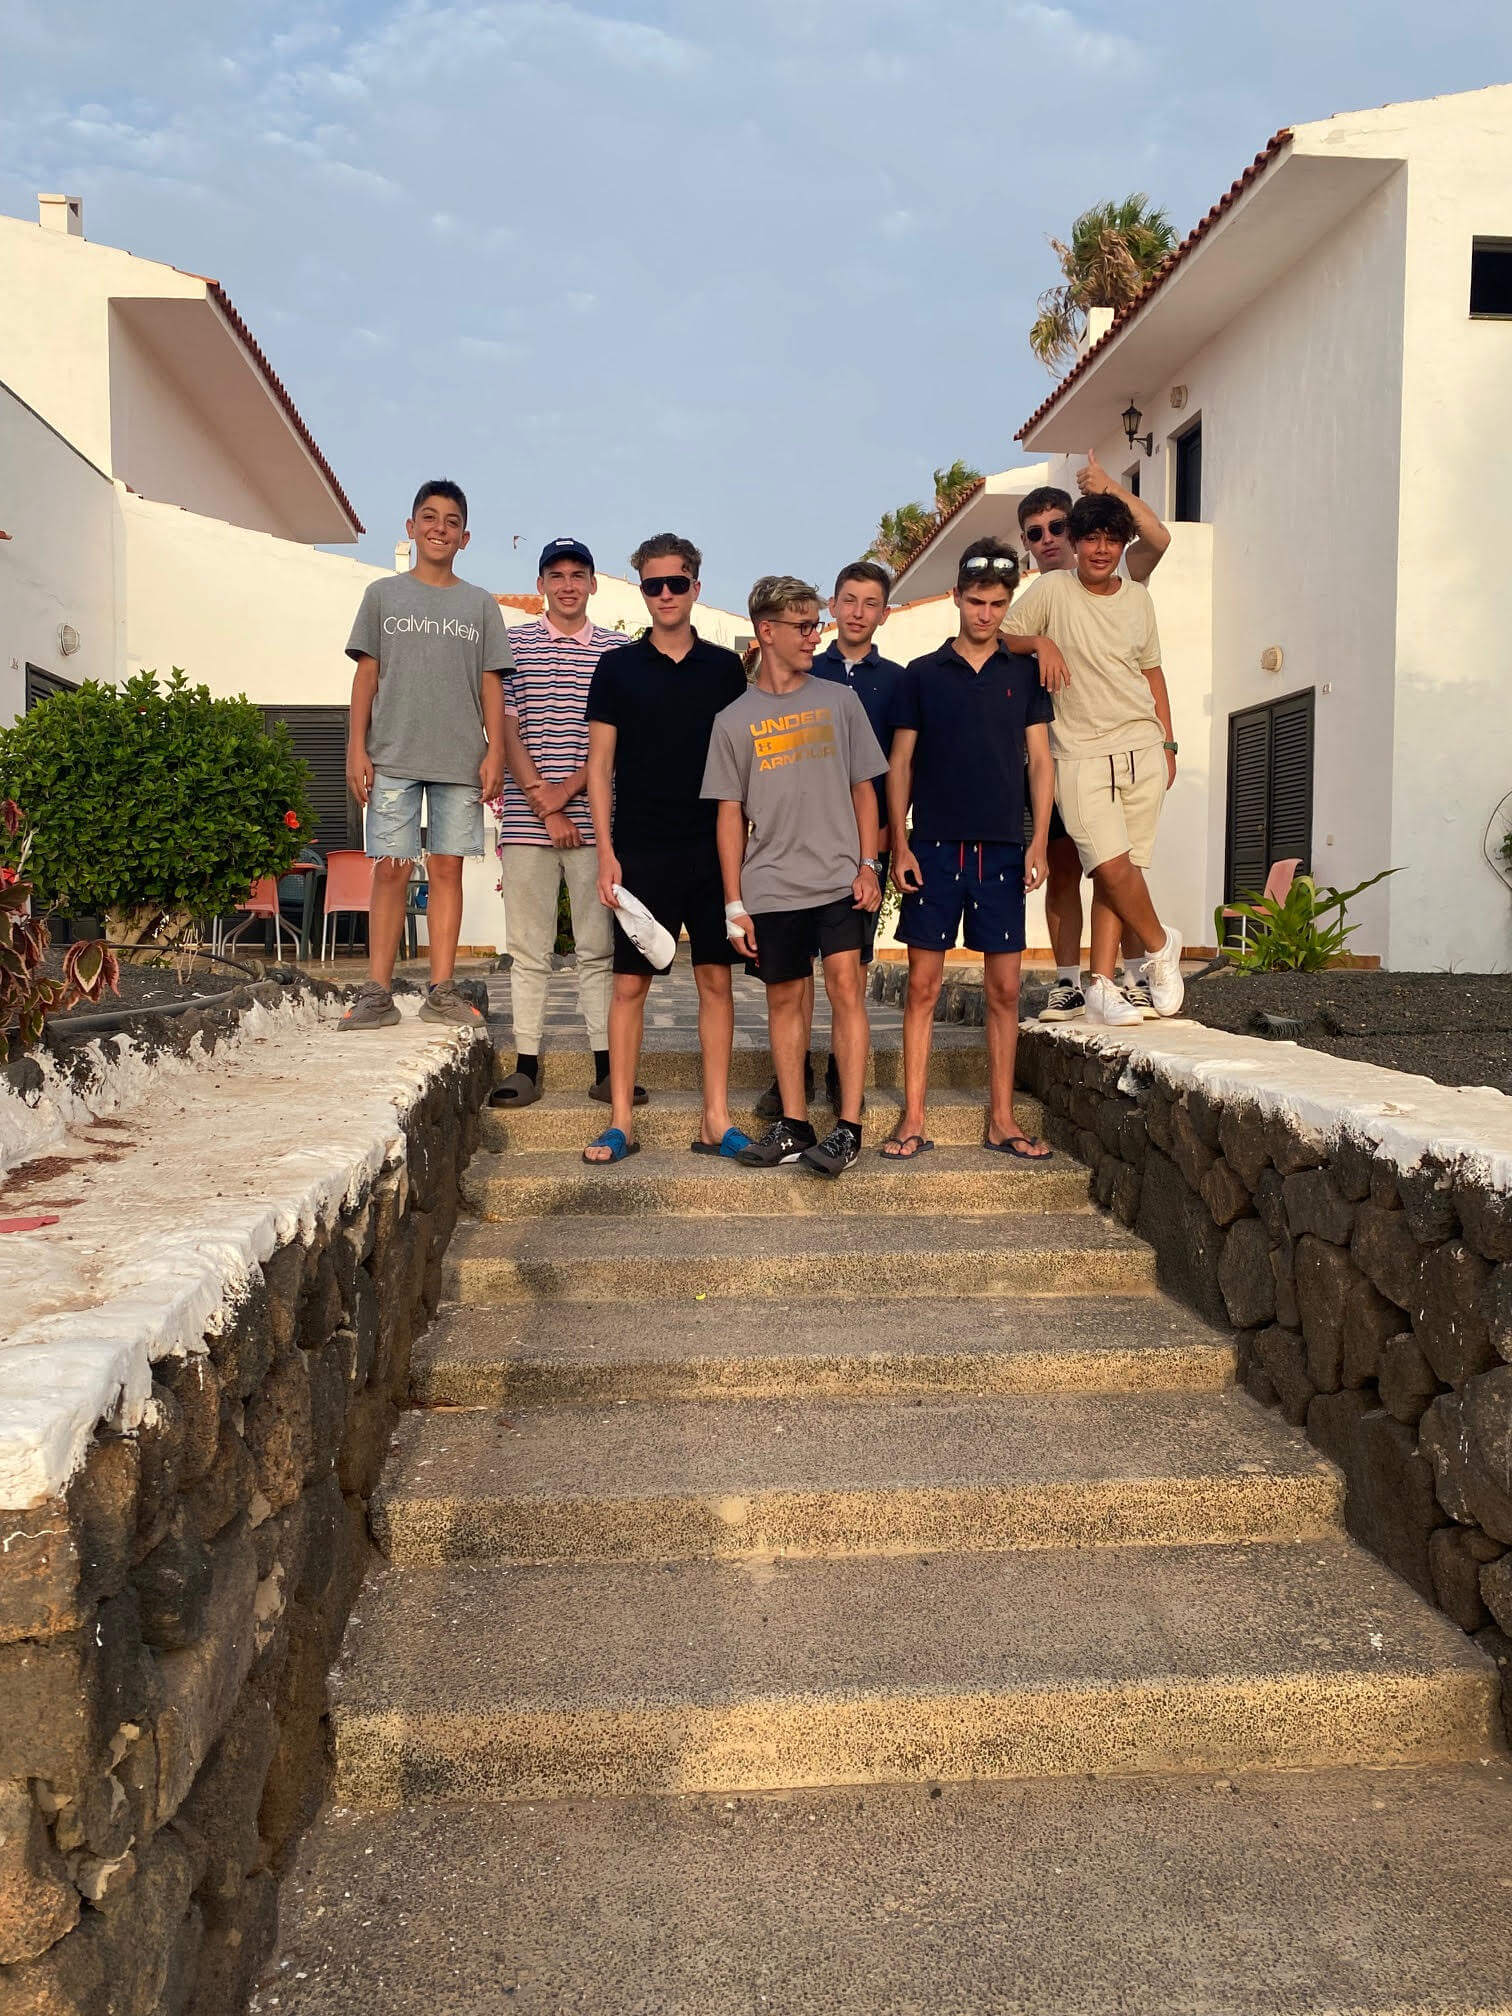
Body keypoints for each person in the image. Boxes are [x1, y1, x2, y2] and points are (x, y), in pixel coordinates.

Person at [705, 576, 885, 1177]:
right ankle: (795, 1123)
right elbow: (729, 815)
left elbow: (865, 790)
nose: (814, 636)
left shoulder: (841, 701)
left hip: (839, 878)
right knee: (784, 999)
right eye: (804, 626)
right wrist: (733, 902)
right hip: (771, 885)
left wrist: (869, 865)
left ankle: (849, 1129)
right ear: (767, 631)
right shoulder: (732, 720)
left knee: (845, 988)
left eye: (816, 624)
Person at [884, 538, 1054, 1161]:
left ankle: (1001, 1119)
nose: (985, 614)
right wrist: (898, 843)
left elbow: (1041, 761)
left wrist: (1039, 840)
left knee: (1005, 990)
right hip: (933, 847)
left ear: (1008, 603)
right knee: (922, 987)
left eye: (997, 604)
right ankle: (913, 1118)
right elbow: (901, 763)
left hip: (1003, 850)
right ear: (956, 597)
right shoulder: (921, 675)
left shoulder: (1024, 674)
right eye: (976, 601)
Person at [581, 534, 749, 1164]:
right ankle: (621, 1122)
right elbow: (599, 767)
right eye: (654, 585)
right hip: (640, 850)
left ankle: (715, 1119)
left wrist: (745, 857)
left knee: (716, 982)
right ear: (643, 592)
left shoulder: (725, 670)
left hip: (710, 849)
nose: (666, 594)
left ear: (696, 588)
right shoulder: (616, 668)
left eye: (677, 583)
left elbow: (743, 768)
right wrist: (606, 852)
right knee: (629, 985)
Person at [1003, 493, 1183, 1027]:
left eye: (1112, 539)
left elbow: (1151, 671)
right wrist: (1041, 643)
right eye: (1091, 538)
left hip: (1142, 744)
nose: (1101, 549)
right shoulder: (1051, 590)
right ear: (1076, 543)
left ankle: (1104, 982)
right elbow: (1001, 636)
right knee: (1106, 863)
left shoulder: (1137, 598)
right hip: (1077, 751)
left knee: (1120, 870)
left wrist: (1169, 743)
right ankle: (1160, 945)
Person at [340, 479, 510, 1030]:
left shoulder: (480, 605)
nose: (440, 528)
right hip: (392, 756)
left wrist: (495, 753)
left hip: (460, 761)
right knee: (390, 870)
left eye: (452, 521)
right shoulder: (382, 596)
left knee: (447, 869)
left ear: (465, 537)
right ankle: (377, 992)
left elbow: (491, 686)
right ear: (411, 527)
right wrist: (356, 748)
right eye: (430, 517)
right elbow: (366, 677)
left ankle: (442, 990)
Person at [754, 558, 902, 1121]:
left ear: (884, 613)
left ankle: (845, 1074)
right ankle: (794, 1074)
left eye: (871, 603)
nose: (858, 612)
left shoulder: (897, 682)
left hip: (861, 845)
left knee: (849, 972)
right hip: (794, 852)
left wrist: (884, 845)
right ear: (834, 607)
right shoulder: (803, 666)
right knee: (795, 975)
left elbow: (896, 769)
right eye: (849, 600)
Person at [489, 537, 621, 1109]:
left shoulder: (617, 652)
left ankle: (607, 1068)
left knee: (597, 948)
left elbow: (612, 742)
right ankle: (526, 1066)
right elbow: (504, 728)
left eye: (577, 574)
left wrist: (565, 797)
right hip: (527, 822)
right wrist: (545, 804)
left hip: (595, 825)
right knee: (528, 950)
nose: (568, 585)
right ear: (540, 583)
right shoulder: (512, 644)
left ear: (593, 583)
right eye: (557, 575)